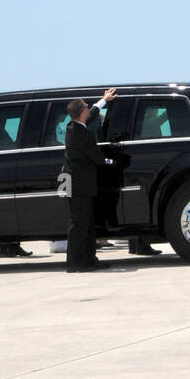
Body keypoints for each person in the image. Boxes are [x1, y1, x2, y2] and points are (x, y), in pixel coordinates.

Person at [61, 88, 118, 272]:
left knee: (86, 223)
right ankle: (76, 263)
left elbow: (92, 113)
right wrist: (112, 161)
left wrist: (103, 100)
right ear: (82, 112)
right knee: (79, 225)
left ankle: (89, 259)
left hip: (78, 185)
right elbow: (97, 157)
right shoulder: (81, 134)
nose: (88, 109)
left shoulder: (75, 126)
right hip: (79, 185)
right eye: (86, 106)